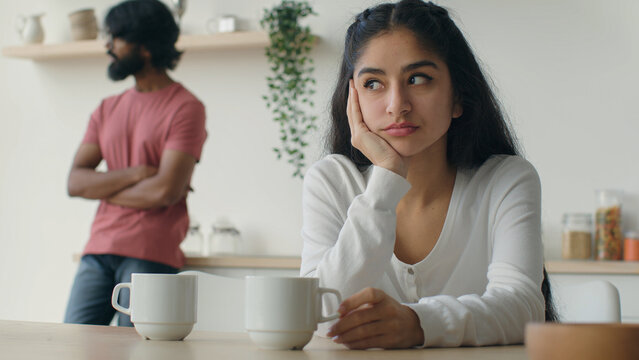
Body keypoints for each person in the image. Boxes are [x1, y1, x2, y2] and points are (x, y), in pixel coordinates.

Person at [300, 0, 557, 349]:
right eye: (373, 83)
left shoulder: (506, 179)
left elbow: (523, 307)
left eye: (418, 79)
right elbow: (320, 313)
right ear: (353, 100)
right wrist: (387, 178)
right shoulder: (331, 181)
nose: (397, 105)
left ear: (458, 97)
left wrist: (419, 323)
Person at [64, 0, 207, 326]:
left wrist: (103, 187)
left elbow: (165, 193)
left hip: (150, 254)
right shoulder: (107, 108)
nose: (108, 46)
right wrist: (139, 173)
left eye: (115, 38)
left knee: (142, 350)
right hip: (98, 249)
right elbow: (74, 182)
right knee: (72, 346)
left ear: (143, 46)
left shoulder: (186, 108)